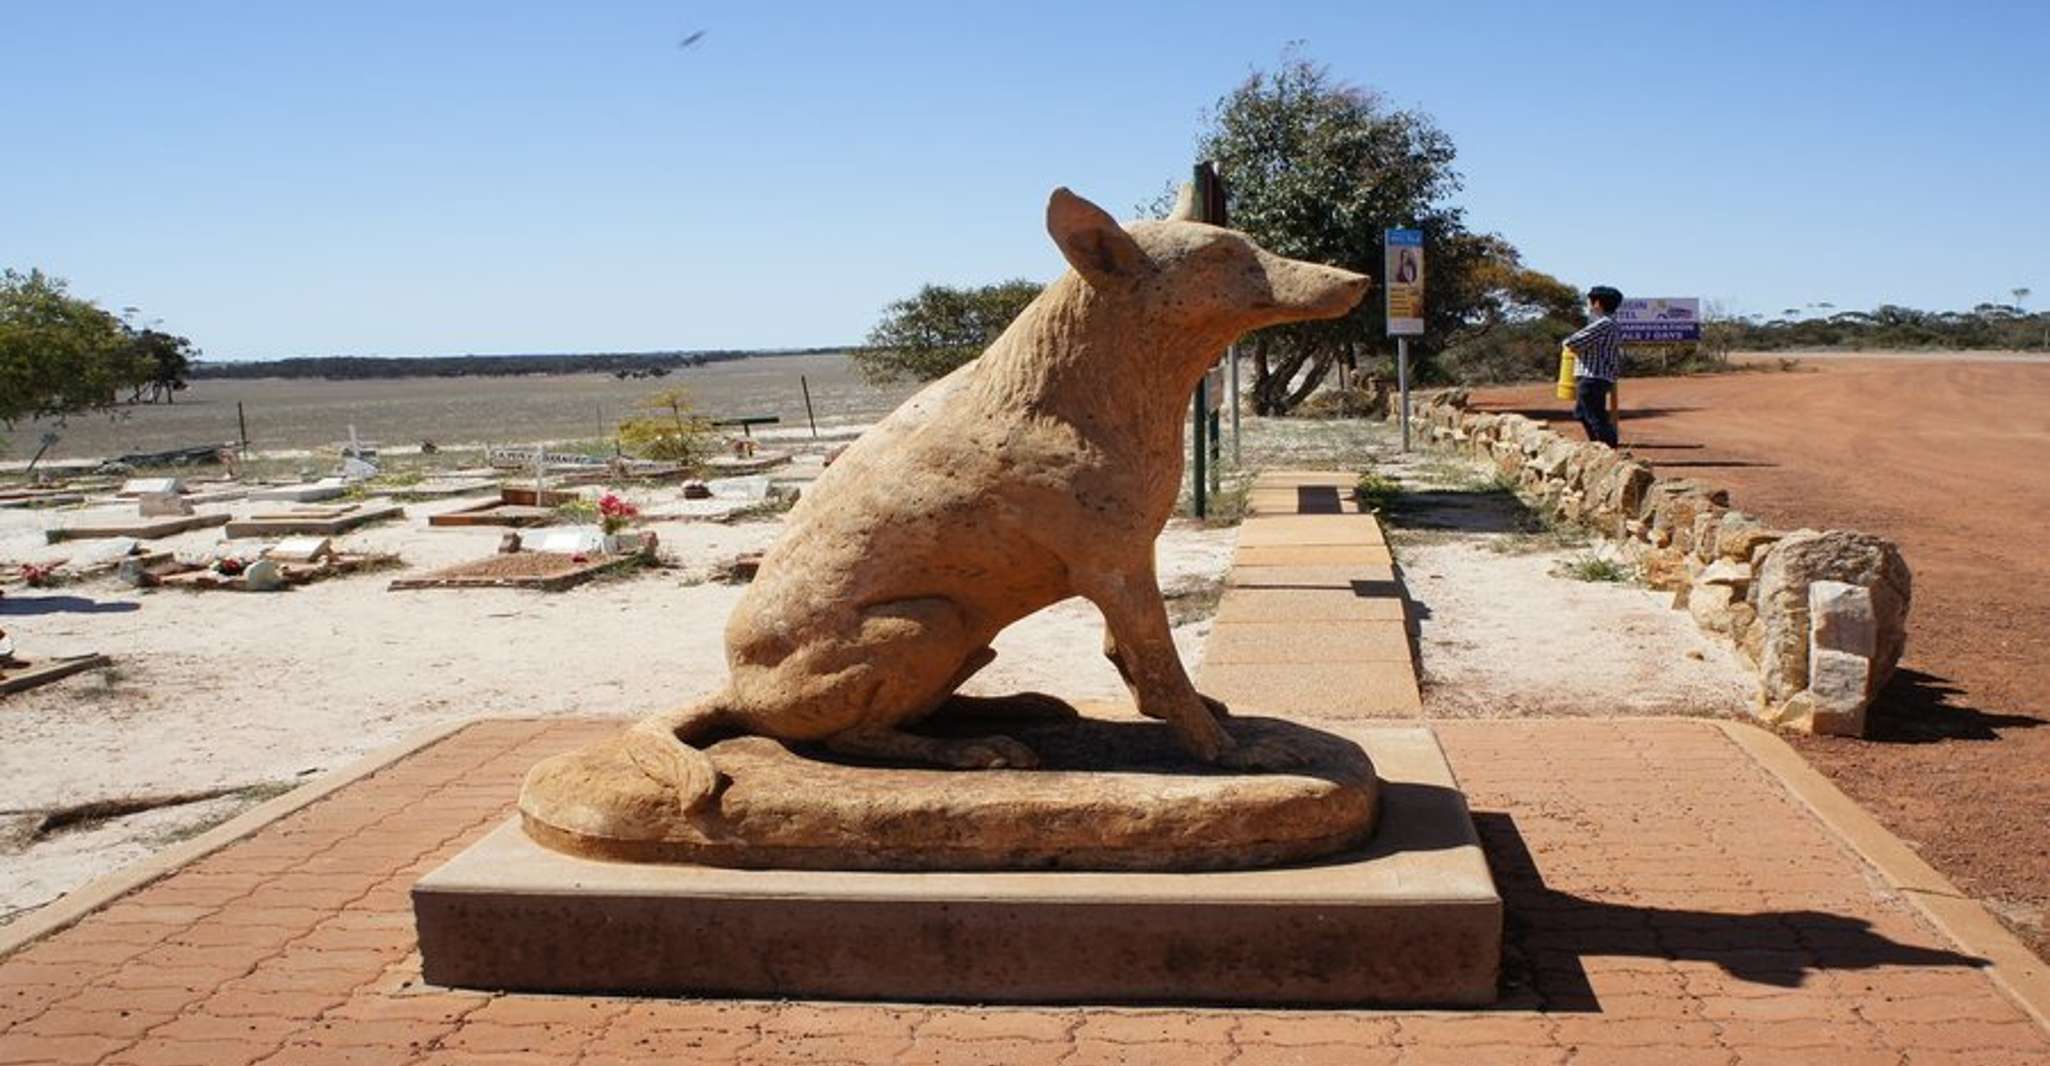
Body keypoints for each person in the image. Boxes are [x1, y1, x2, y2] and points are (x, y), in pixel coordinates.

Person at [1563, 285, 1624, 446]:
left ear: (1597, 303)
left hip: (1592, 377)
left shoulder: (1603, 324)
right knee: (1582, 414)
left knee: (1595, 417)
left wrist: (1569, 343)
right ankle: (1597, 448)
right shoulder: (1611, 324)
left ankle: (1608, 451)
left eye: (1591, 301)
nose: (1589, 305)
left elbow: (1572, 342)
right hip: (1596, 377)